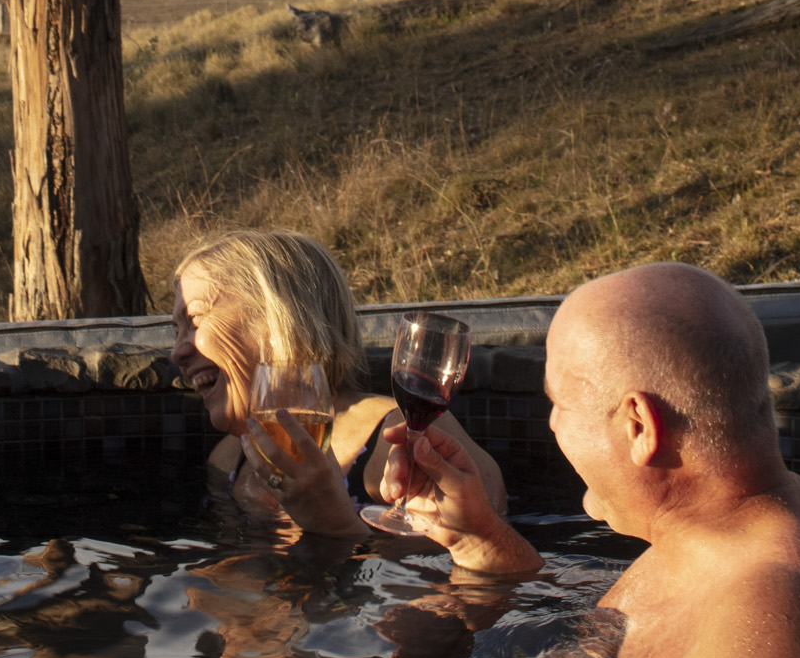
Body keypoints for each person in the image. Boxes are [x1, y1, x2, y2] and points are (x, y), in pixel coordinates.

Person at [379, 259, 800, 658]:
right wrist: (479, 540)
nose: (551, 426)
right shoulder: (732, 532)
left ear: (638, 426)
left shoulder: (764, 612)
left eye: (559, 404)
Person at [171, 229, 533, 565]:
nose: (176, 352)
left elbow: (464, 600)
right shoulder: (228, 459)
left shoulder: (403, 444)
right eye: (176, 330)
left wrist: (334, 524)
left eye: (196, 319)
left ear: (276, 321)